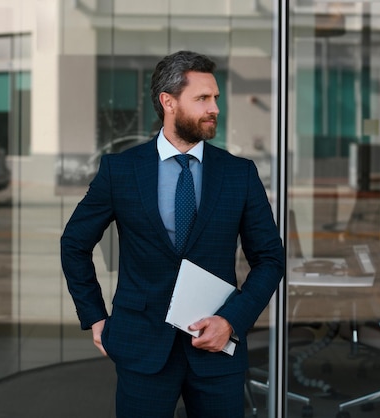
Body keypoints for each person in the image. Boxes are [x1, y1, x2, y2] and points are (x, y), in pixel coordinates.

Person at [60, 50, 285, 418]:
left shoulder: (239, 174)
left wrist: (231, 321)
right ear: (168, 102)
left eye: (215, 98)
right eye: (202, 98)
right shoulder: (121, 170)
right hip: (140, 345)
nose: (214, 107)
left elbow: (270, 259)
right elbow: (74, 244)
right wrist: (95, 316)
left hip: (216, 351)